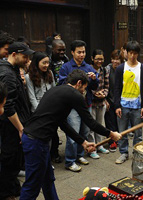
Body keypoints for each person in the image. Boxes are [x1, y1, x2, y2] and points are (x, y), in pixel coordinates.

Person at [20, 69, 122, 200]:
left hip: (36, 140)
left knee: (47, 179)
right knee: (32, 185)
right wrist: (111, 134)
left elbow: (63, 124)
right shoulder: (74, 94)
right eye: (84, 89)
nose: (83, 92)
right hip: (36, 141)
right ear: (79, 83)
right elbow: (90, 121)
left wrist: (83, 142)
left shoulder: (57, 90)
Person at [59, 40, 99, 172]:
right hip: (72, 107)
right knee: (73, 133)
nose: (82, 55)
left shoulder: (88, 67)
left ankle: (80, 155)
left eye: (83, 52)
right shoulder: (66, 67)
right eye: (79, 52)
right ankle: (70, 161)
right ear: (72, 52)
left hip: (86, 104)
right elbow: (61, 85)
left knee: (85, 132)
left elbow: (95, 87)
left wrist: (94, 79)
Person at [0, 42, 34, 200]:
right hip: (11, 126)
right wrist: (20, 129)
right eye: (25, 56)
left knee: (13, 161)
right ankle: (8, 193)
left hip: (17, 122)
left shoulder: (12, 69)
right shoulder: (7, 74)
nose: (27, 59)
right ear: (13, 54)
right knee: (10, 160)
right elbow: (8, 107)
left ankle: (13, 188)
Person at [114, 41, 143, 164]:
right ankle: (123, 153)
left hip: (137, 106)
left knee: (138, 133)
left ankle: (137, 153)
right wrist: (117, 105)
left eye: (135, 53)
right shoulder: (120, 69)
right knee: (122, 132)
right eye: (130, 53)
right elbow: (117, 87)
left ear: (138, 54)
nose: (132, 56)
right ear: (126, 53)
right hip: (123, 105)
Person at [88, 49, 109, 159]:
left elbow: (106, 85)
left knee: (100, 125)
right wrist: (95, 93)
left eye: (101, 59)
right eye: (97, 59)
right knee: (91, 126)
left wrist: (104, 94)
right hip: (91, 102)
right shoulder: (88, 69)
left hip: (101, 102)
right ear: (92, 58)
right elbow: (86, 86)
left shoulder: (104, 70)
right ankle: (92, 148)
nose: (99, 61)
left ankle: (99, 145)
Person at [105, 49, 125, 152]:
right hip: (109, 99)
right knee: (110, 121)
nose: (115, 62)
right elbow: (103, 85)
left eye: (118, 59)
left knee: (120, 121)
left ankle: (120, 140)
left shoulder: (124, 69)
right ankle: (111, 141)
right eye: (113, 59)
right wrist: (105, 99)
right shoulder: (107, 69)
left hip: (121, 100)